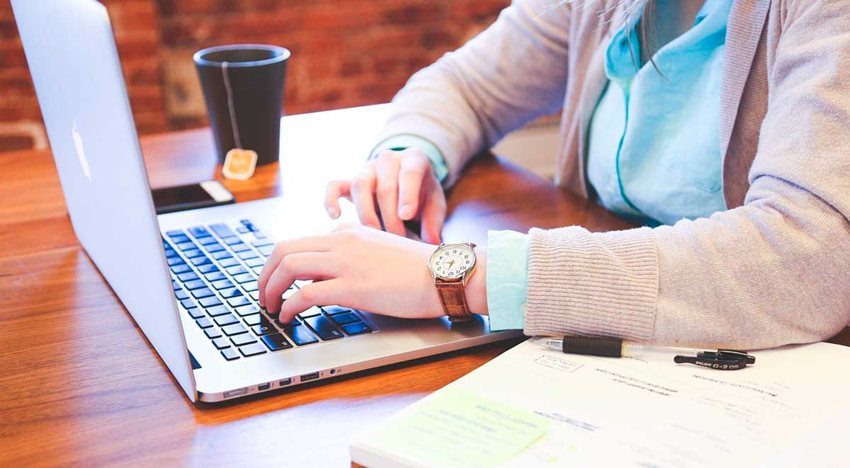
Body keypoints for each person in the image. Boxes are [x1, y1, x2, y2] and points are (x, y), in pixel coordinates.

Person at [258, 0, 850, 348]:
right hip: (615, 346)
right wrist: (410, 153)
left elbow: (812, 255)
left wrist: (457, 276)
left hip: (764, 366)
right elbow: (465, 84)